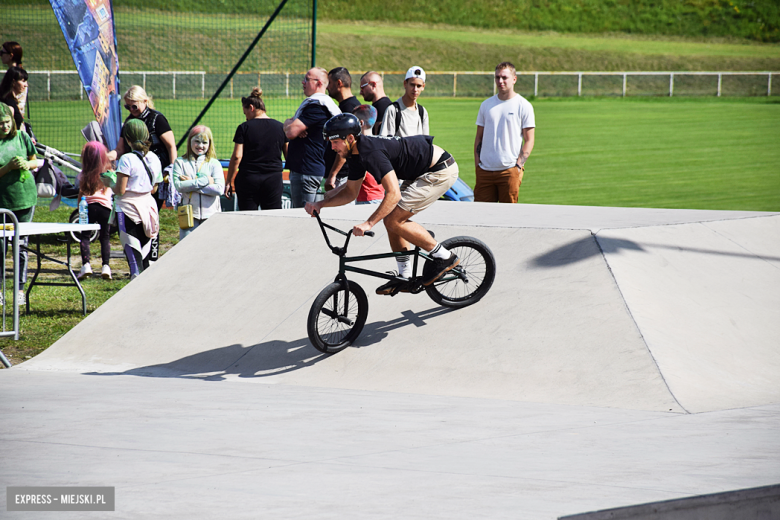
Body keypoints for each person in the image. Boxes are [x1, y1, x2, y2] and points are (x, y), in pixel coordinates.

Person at [306, 114, 460, 295]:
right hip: (418, 172)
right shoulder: (355, 154)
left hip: (439, 170)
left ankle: (444, 256)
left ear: (350, 138)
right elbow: (350, 192)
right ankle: (405, 275)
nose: (332, 148)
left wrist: (368, 223)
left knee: (393, 220)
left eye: (335, 142)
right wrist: (321, 204)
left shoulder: (370, 153)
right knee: (391, 219)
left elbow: (393, 194)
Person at [473, 62, 536, 203]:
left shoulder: (523, 105)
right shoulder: (486, 105)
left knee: (507, 217)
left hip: (509, 171)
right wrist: (477, 166)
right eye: (497, 77)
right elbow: (479, 138)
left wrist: (518, 166)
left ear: (514, 79)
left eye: (504, 77)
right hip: (485, 171)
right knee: (480, 216)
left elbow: (530, 140)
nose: (500, 81)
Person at [108, 85, 177, 210]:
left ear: (145, 101)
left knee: (151, 208)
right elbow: (120, 150)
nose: (131, 110)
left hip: (154, 170)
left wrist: (172, 169)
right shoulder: (129, 122)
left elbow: (171, 145)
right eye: (127, 107)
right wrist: (104, 157)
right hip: (134, 173)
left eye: (134, 106)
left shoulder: (157, 119)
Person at [109, 119, 161, 280]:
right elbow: (154, 188)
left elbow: (120, 190)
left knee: (134, 262)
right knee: (145, 262)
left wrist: (109, 182)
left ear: (128, 139)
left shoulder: (126, 159)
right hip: (148, 208)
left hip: (128, 209)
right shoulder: (154, 158)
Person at [283, 67, 341, 208]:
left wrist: (290, 124)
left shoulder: (317, 106)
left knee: (303, 217)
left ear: (319, 83)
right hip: (307, 170)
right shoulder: (320, 105)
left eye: (307, 79)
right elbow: (290, 127)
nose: (303, 82)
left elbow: (290, 132)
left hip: (306, 171)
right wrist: (290, 123)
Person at [0, 102, 37, 305]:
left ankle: (20, 290)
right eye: (0, 124)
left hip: (25, 199)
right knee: (1, 246)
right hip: (3, 201)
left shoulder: (21, 136)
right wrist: (8, 167)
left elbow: (35, 160)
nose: (5, 127)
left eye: (7, 122)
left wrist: (27, 164)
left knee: (21, 246)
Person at [226, 88, 287, 210]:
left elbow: (237, 156)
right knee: (273, 218)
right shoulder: (281, 127)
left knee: (248, 218)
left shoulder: (244, 128)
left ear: (251, 108)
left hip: (248, 179)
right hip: (273, 179)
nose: (246, 118)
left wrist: (229, 181)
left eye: (245, 113)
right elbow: (289, 155)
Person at [172, 126, 224, 240]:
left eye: (204, 142)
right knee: (187, 250)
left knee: (210, 250)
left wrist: (190, 184)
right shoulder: (180, 162)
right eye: (197, 141)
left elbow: (219, 189)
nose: (200, 146)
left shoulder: (214, 163)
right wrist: (205, 181)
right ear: (190, 140)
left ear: (209, 143)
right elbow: (179, 186)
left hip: (211, 216)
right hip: (189, 215)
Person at [76, 142, 114, 281]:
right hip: (105, 208)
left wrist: (79, 208)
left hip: (88, 206)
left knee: (85, 236)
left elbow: (81, 194)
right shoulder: (109, 172)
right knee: (105, 237)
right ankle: (106, 267)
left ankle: (86, 265)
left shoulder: (83, 175)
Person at [324, 67, 361, 191]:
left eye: (329, 83)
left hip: (342, 176)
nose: (327, 87)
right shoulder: (348, 106)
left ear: (339, 83)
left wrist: (333, 175)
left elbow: (345, 144)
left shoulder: (349, 110)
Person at [379, 66, 429, 137]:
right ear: (405, 84)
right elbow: (385, 141)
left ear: (423, 87)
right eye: (412, 85)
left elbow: (425, 144)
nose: (415, 89)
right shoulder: (393, 110)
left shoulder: (423, 112)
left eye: (419, 86)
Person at [351, 105, 385, 205]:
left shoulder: (361, 147)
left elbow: (358, 176)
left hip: (367, 198)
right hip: (379, 196)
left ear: (361, 123)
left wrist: (335, 192)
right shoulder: (379, 142)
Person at [1, 43, 27, 127]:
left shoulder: (18, 76)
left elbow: (19, 107)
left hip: (15, 124)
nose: (0, 55)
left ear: (10, 56)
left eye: (2, 53)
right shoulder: (12, 73)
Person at [358, 71, 391, 135]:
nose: (360, 92)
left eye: (362, 88)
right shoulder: (381, 105)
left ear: (373, 85)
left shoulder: (382, 107)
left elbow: (378, 139)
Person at [0, 67, 29, 135]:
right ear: (14, 82)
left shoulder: (7, 100)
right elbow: (7, 131)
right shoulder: (9, 104)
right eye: (23, 81)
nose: (26, 85)